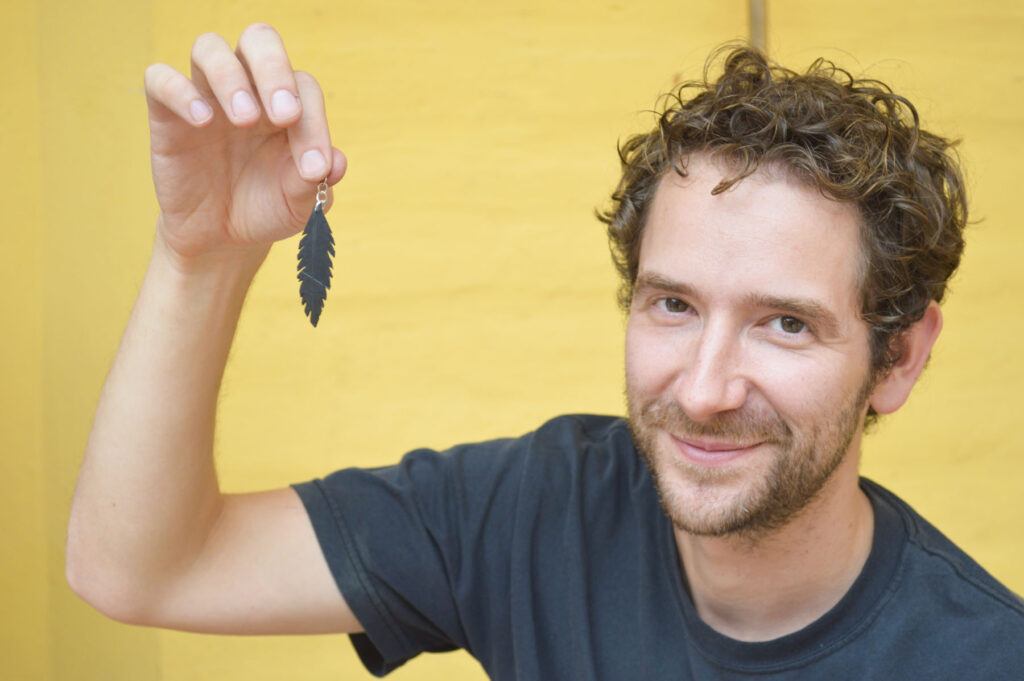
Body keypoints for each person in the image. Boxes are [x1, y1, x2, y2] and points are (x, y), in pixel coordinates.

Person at [67, 23, 1023, 679]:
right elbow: (144, 567)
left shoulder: (981, 655)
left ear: (898, 357)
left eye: (786, 323)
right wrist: (201, 258)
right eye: (675, 304)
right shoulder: (536, 511)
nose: (703, 388)